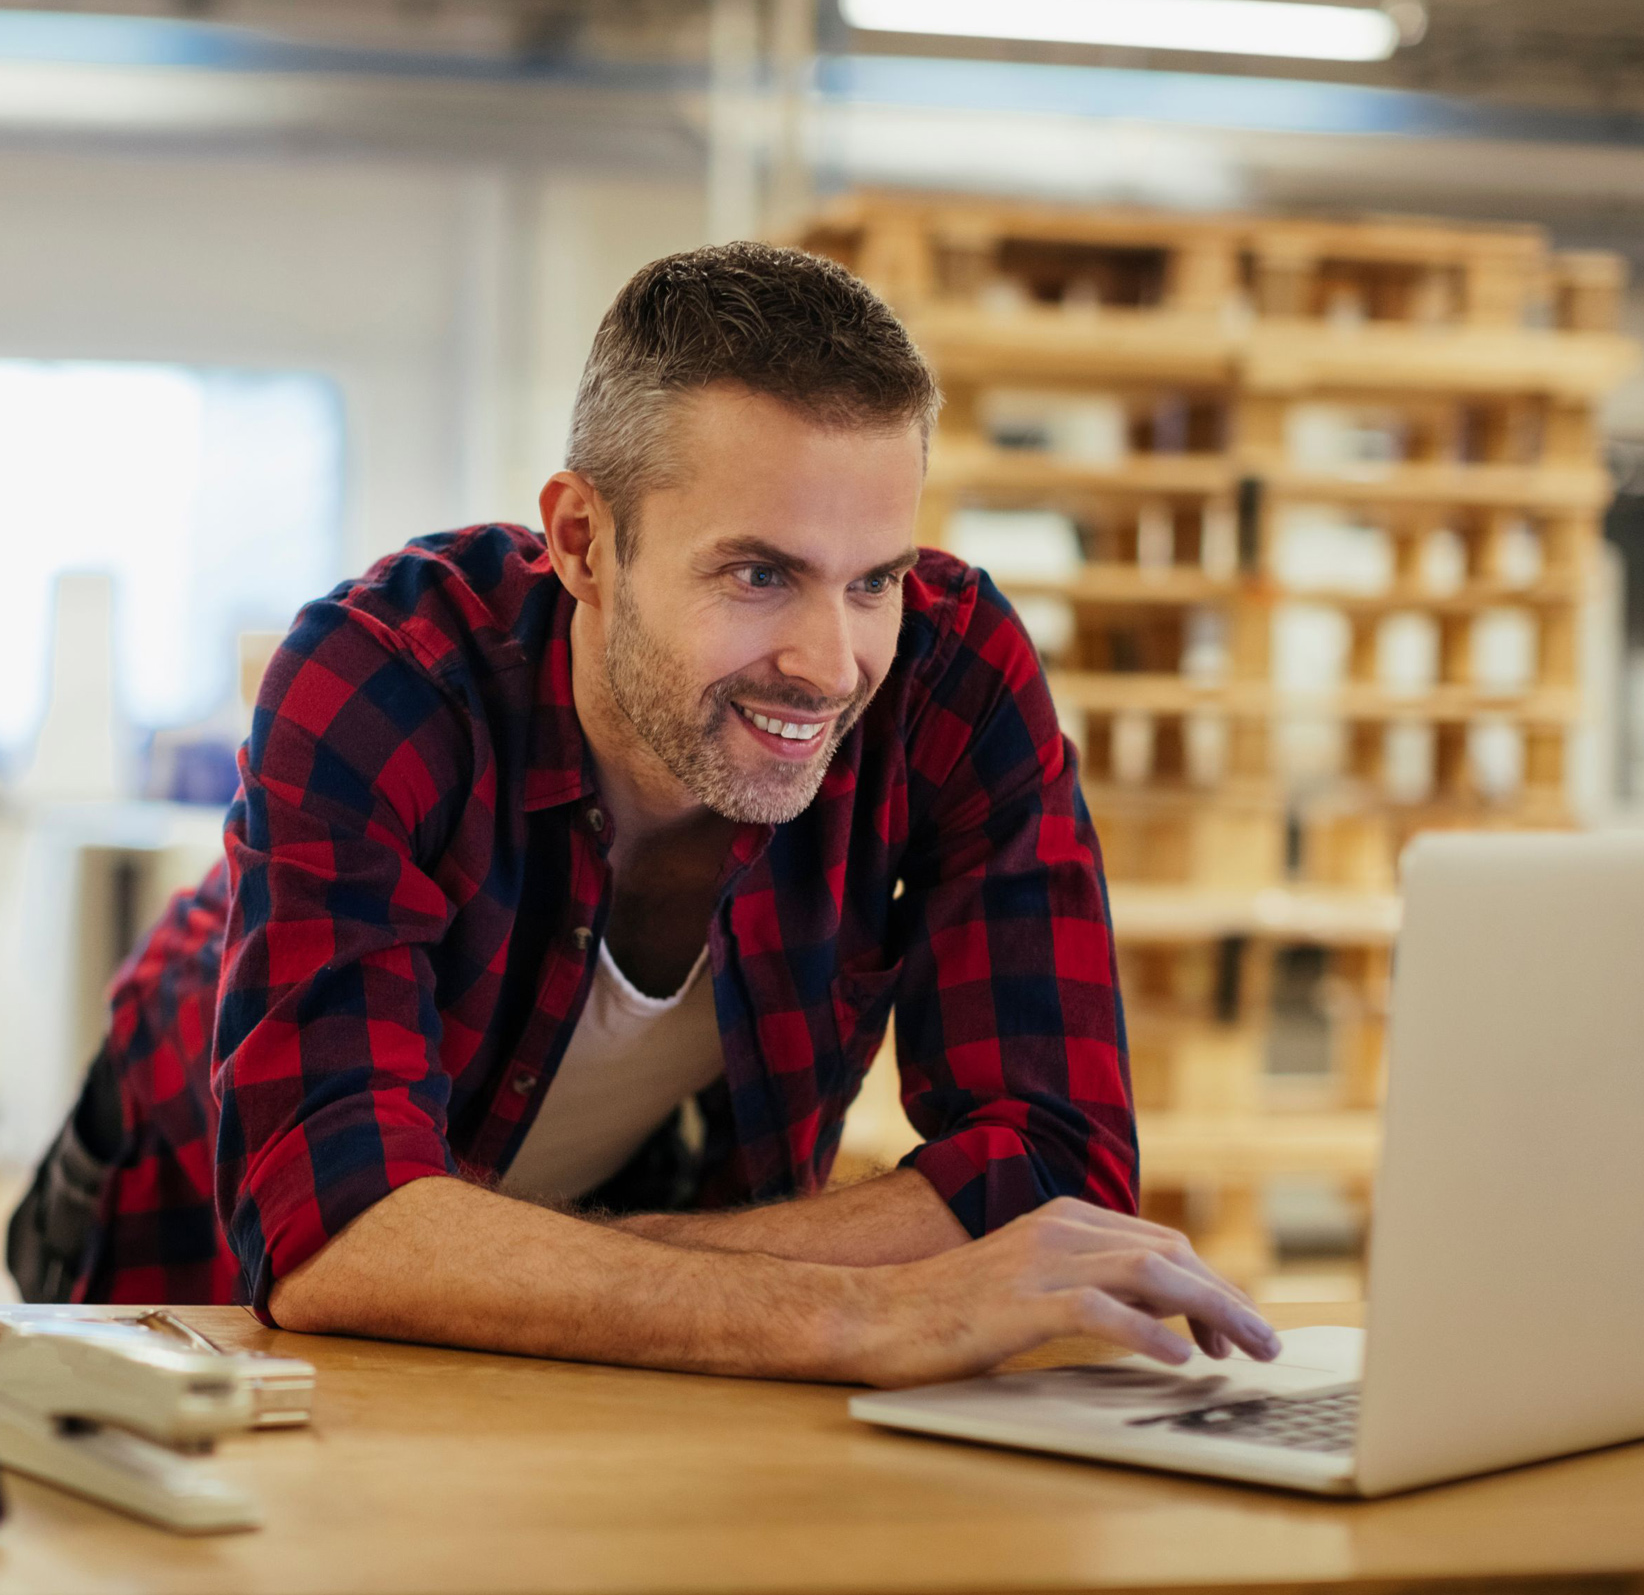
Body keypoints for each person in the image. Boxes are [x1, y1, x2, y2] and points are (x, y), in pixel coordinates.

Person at [7, 243, 1278, 1385]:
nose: (831, 665)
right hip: (177, 1207)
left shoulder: (949, 677)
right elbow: (335, 1236)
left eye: (874, 579)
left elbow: (1053, 1158)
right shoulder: (383, 676)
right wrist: (845, 1309)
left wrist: (523, 1264)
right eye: (758, 573)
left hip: (605, 1187)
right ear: (581, 542)